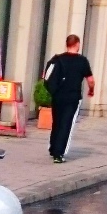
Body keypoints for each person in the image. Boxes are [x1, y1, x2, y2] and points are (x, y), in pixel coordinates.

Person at [42, 34, 95, 163]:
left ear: (67, 44)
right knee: (66, 124)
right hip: (72, 97)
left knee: (57, 121)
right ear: (77, 44)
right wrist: (91, 90)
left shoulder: (57, 59)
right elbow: (90, 80)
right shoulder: (82, 61)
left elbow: (45, 76)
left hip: (58, 95)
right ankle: (58, 154)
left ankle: (53, 147)